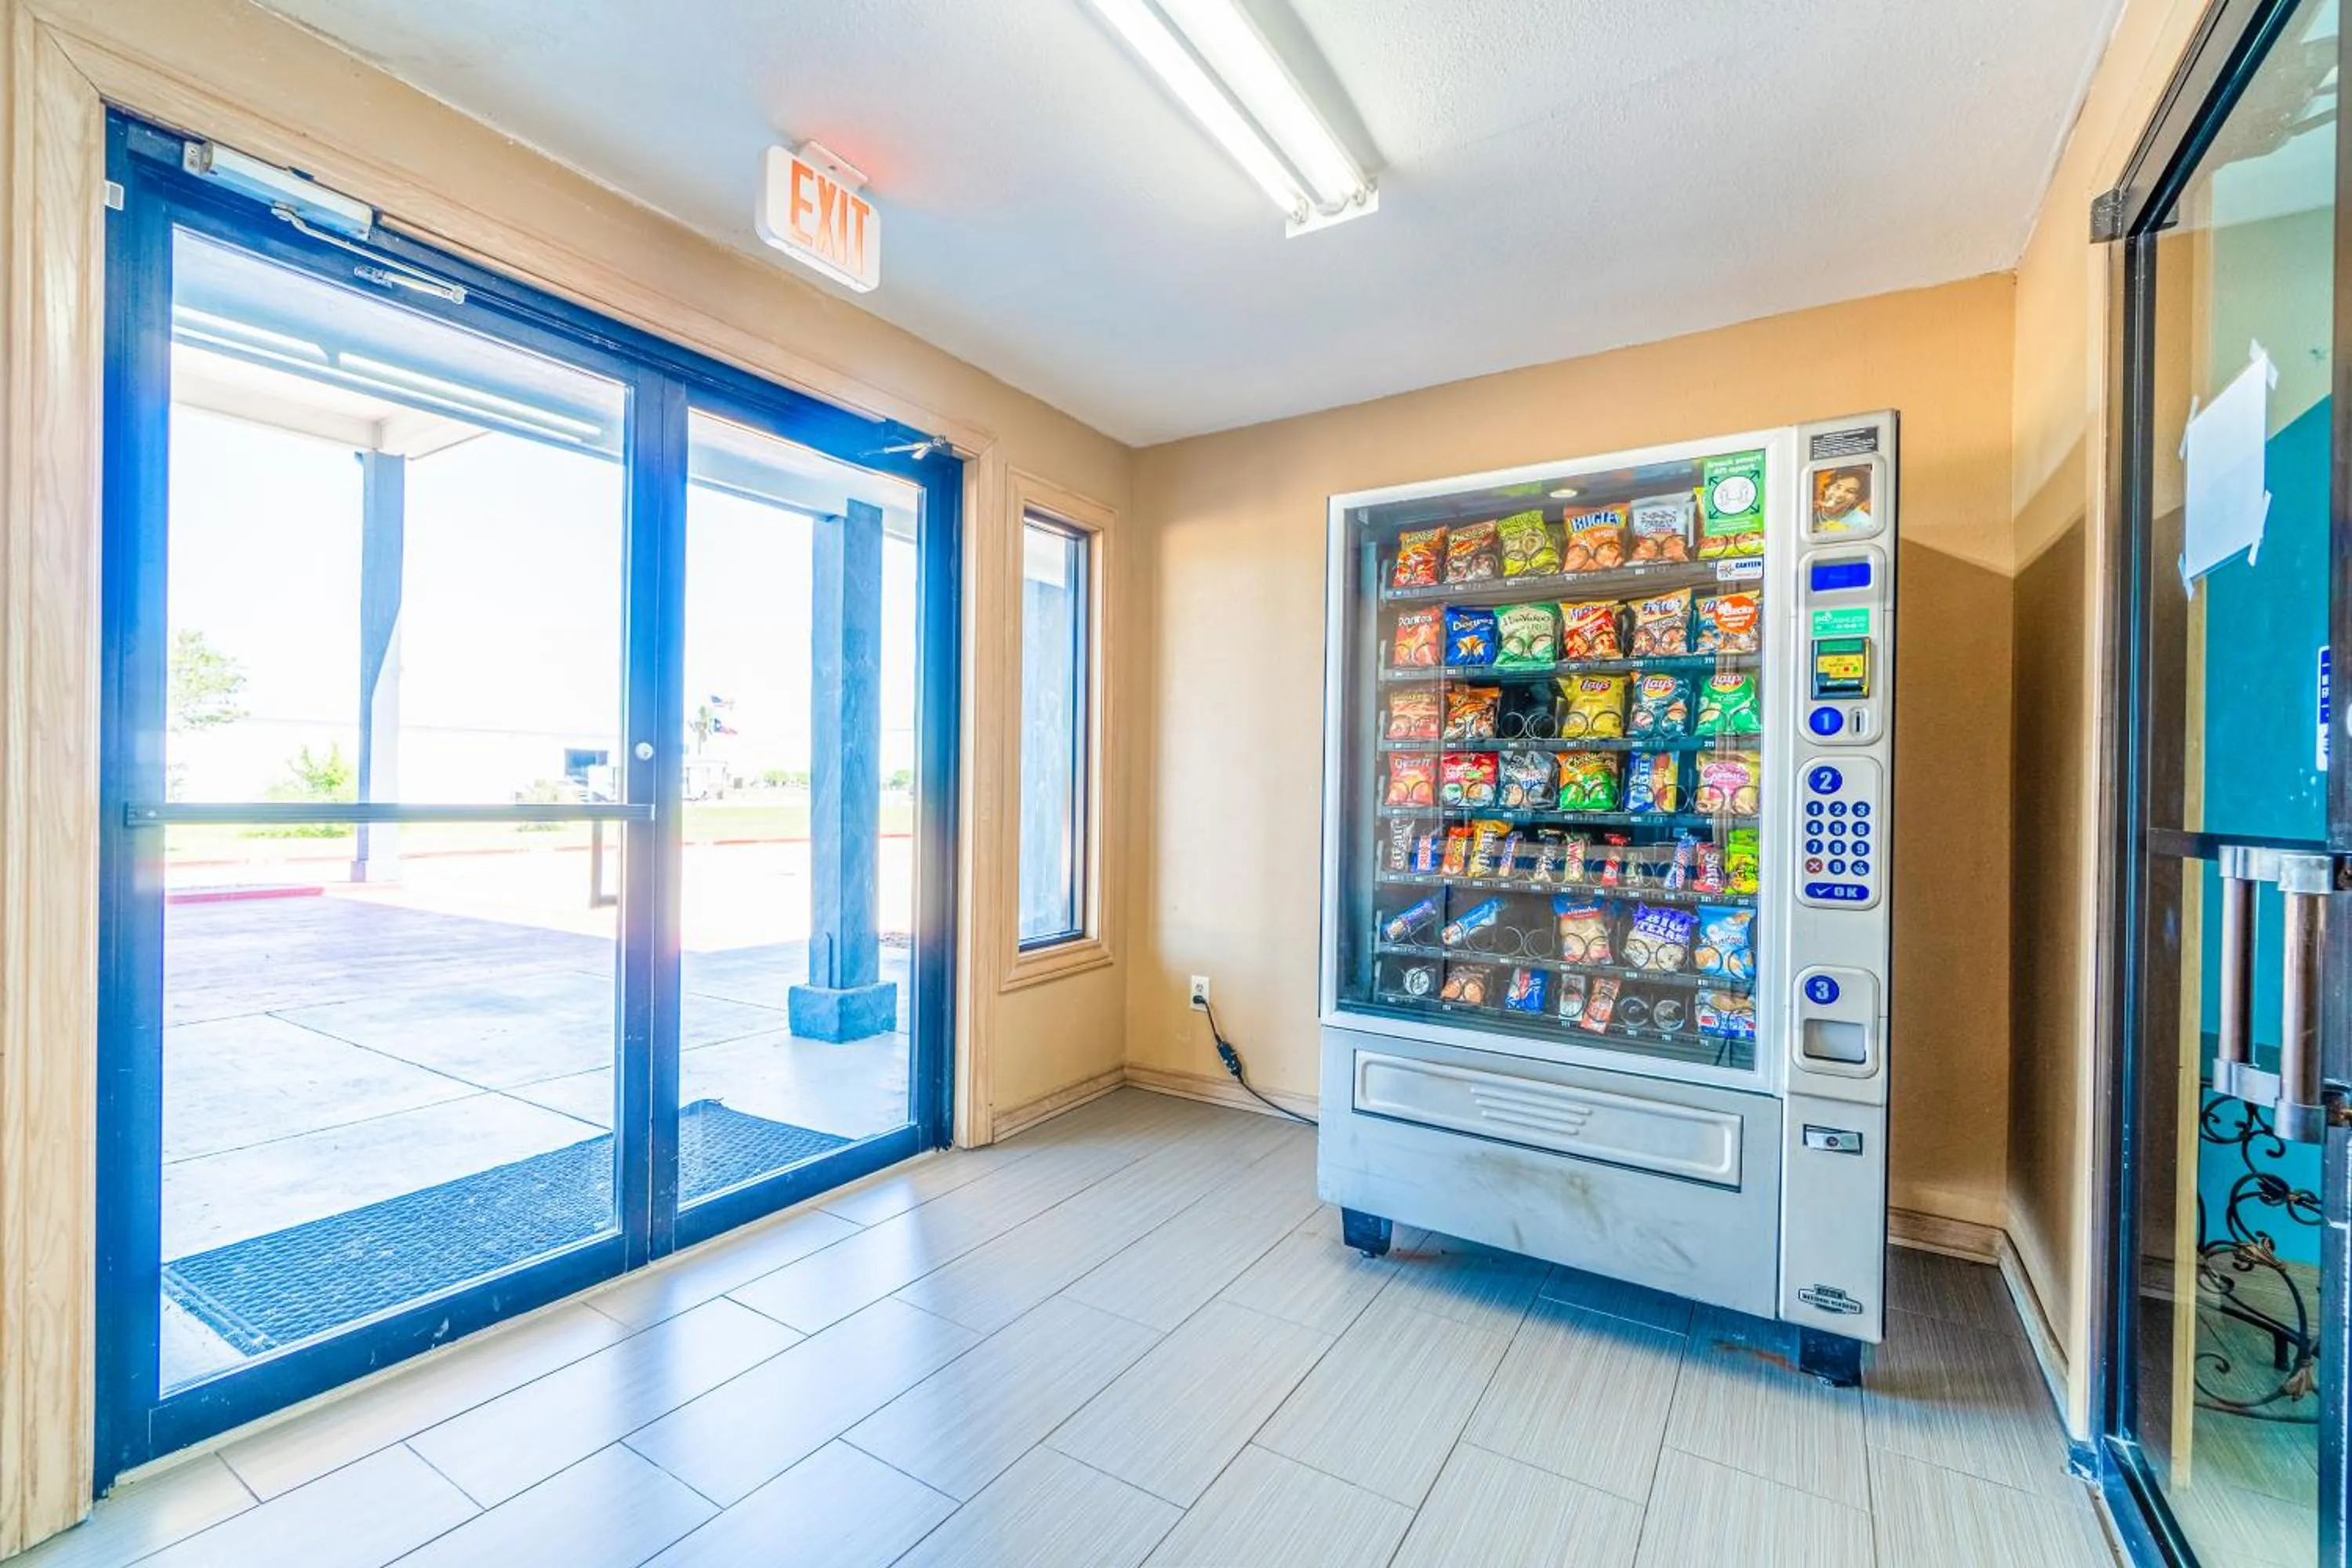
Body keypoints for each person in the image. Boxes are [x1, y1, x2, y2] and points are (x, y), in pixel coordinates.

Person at [1813, 464, 1873, 533]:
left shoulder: (1863, 522)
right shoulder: (1810, 513)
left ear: (1857, 499)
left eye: (1850, 491)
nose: (1839, 495)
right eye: (1838, 487)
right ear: (1827, 488)